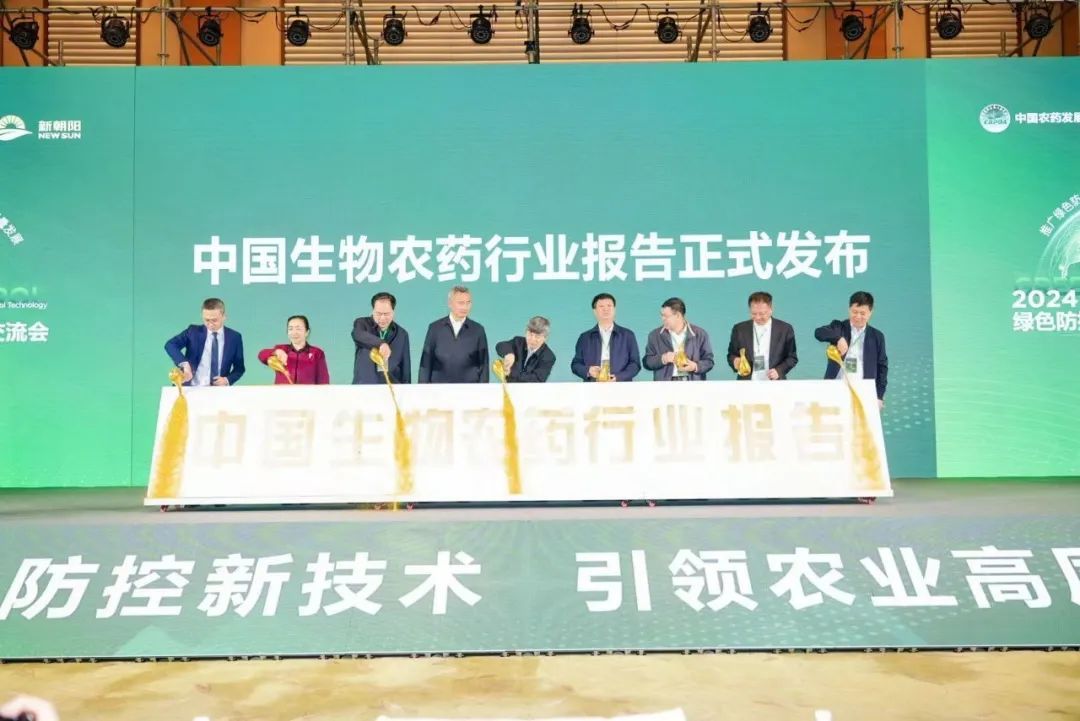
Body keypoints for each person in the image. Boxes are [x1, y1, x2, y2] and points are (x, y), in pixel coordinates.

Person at [814, 290, 888, 408]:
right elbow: (819, 333)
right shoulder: (839, 327)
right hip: (836, 387)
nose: (858, 317)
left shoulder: (877, 336)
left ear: (870, 312)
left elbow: (882, 368)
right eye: (854, 312)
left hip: (864, 389)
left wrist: (879, 396)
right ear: (849, 309)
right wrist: (838, 338)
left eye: (862, 313)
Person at [164, 297, 245, 386]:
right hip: (190, 388)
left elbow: (239, 368)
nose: (210, 324)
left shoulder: (235, 337)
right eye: (206, 320)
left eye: (214, 320)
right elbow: (170, 345)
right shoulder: (193, 332)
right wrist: (185, 364)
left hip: (218, 390)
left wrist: (227, 380)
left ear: (224, 317)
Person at [418, 285, 489, 383]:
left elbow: (484, 365)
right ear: (450, 303)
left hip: (469, 389)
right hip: (439, 388)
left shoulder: (478, 330)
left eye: (468, 303)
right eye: (461, 303)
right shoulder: (435, 328)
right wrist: (423, 389)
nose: (465, 307)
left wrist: (483, 389)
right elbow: (426, 364)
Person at [726, 291, 797, 381]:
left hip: (775, 383)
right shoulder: (739, 329)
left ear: (771, 309)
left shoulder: (785, 329)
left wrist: (779, 371)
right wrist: (735, 361)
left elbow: (792, 357)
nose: (757, 317)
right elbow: (731, 354)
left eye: (762, 313)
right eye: (753, 313)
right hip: (746, 382)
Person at [571, 293, 641, 382]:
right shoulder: (585, 337)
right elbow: (576, 364)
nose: (606, 309)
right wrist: (588, 370)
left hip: (621, 385)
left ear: (614, 309)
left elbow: (635, 364)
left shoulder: (628, 335)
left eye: (609, 306)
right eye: (601, 306)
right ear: (594, 311)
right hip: (593, 385)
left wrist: (619, 377)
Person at [642, 297, 715, 381]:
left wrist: (695, 366)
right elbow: (647, 362)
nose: (662, 318)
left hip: (692, 384)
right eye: (662, 315)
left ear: (678, 315)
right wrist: (663, 358)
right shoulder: (655, 335)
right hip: (665, 385)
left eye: (666, 316)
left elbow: (709, 362)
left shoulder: (700, 334)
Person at [352, 291, 411, 384]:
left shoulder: (402, 334)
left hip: (392, 387)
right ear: (373, 311)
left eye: (386, 314)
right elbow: (357, 334)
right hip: (365, 386)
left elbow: (405, 368)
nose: (382, 318)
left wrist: (406, 388)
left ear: (393, 312)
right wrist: (381, 344)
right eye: (378, 314)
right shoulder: (362, 324)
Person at [257, 315, 329, 384]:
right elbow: (261, 355)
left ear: (307, 332)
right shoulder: (281, 348)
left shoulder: (317, 353)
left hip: (307, 393)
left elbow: (323, 381)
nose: (294, 332)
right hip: (282, 392)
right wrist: (276, 352)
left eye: (298, 329)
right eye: (290, 329)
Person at [495, 316, 556, 383]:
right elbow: (500, 346)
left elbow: (537, 379)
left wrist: (511, 373)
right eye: (530, 334)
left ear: (545, 338)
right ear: (525, 332)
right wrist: (509, 354)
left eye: (537, 336)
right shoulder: (518, 341)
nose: (532, 339)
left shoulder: (549, 357)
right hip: (509, 387)